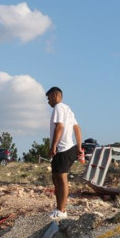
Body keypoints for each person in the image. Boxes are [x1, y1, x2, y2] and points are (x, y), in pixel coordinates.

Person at [45, 86, 83, 220]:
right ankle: (59, 209)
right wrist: (79, 147)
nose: (48, 101)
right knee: (56, 179)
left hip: (63, 149)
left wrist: (53, 146)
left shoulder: (58, 108)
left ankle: (61, 210)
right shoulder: (68, 109)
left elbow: (59, 126)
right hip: (69, 148)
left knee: (61, 180)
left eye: (49, 98)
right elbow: (77, 128)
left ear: (55, 95)